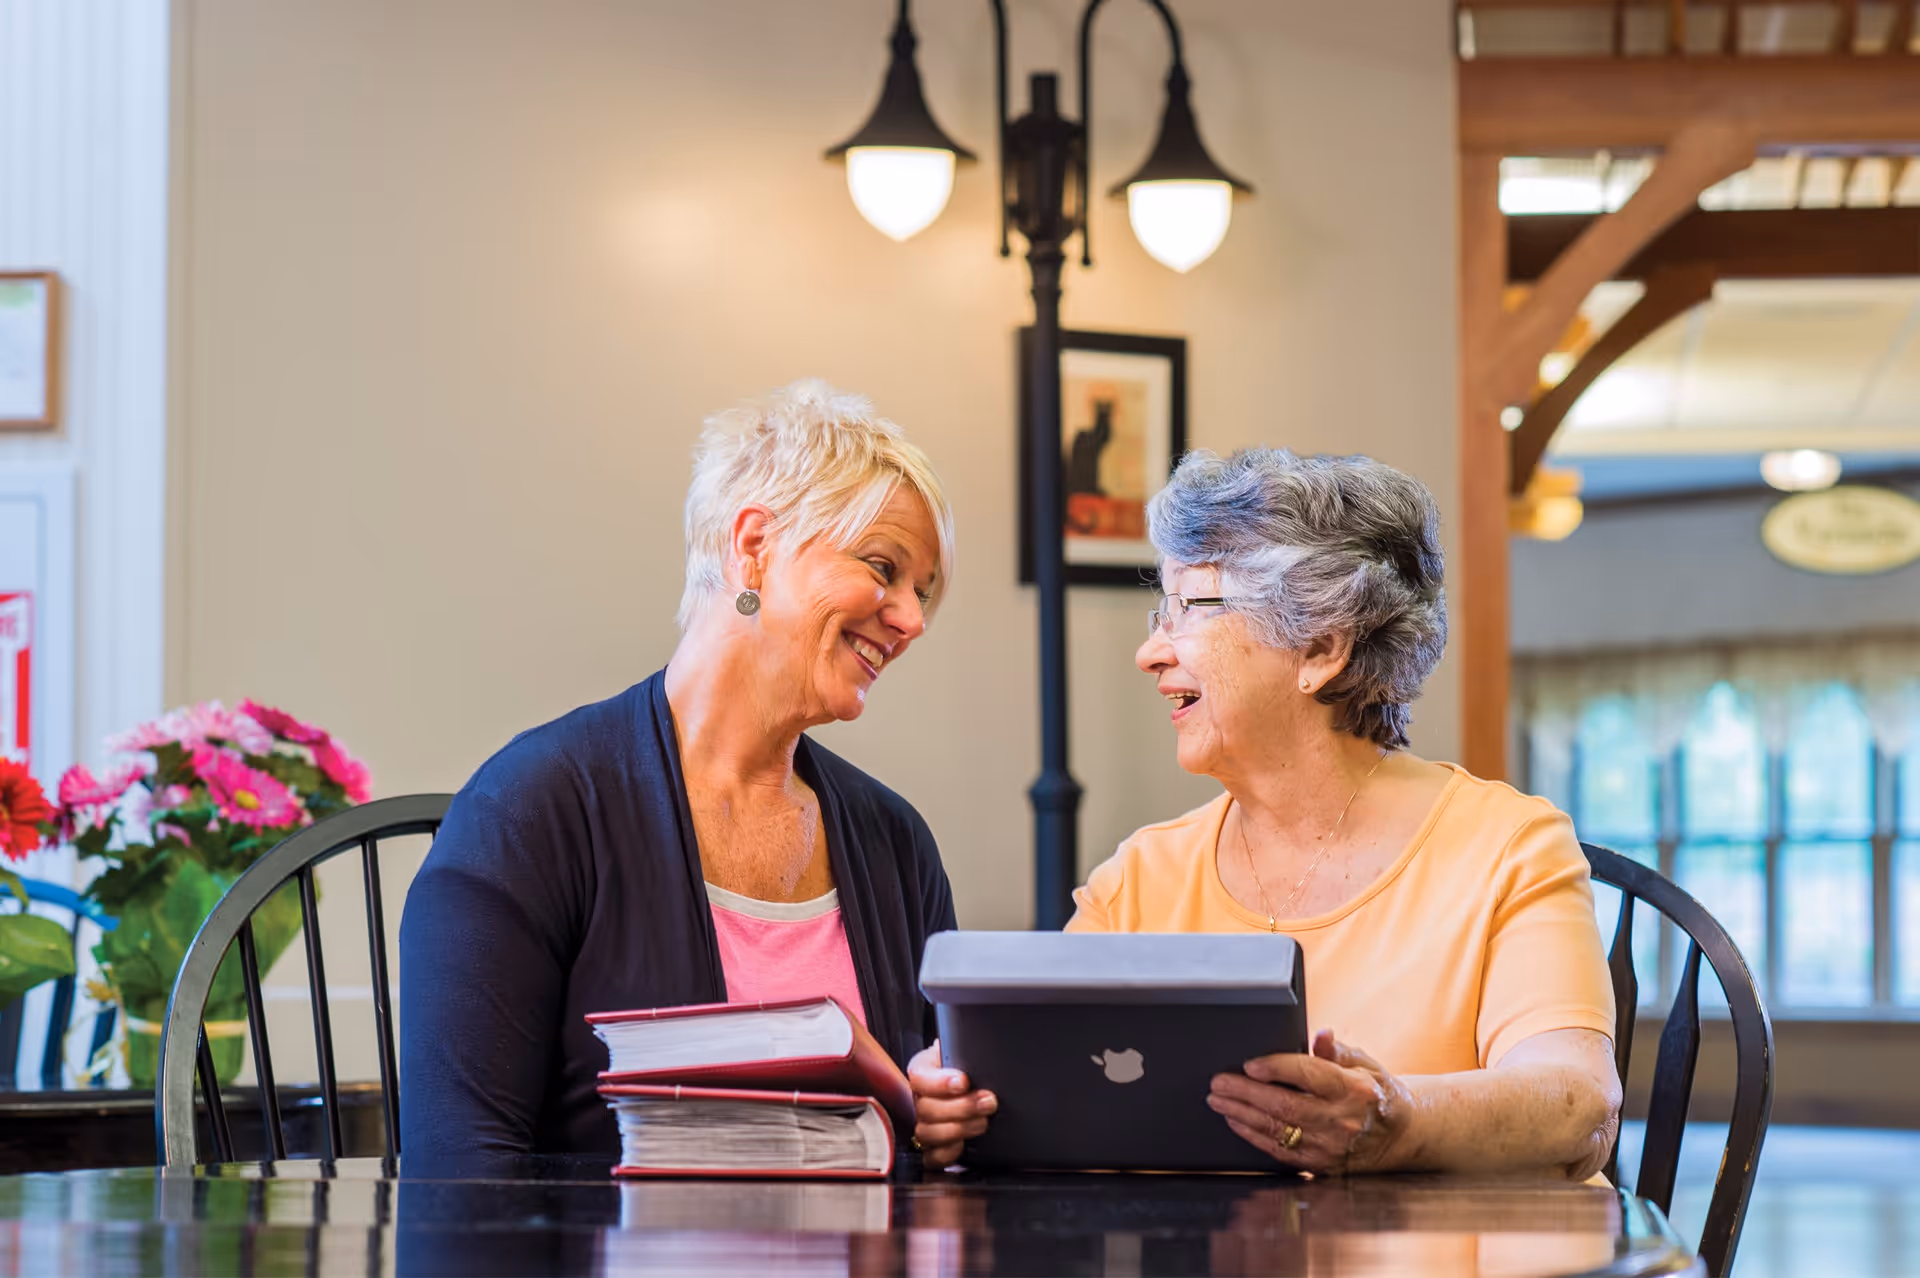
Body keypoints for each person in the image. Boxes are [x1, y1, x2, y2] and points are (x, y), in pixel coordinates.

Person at [911, 448, 1621, 1179]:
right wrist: (957, 1097)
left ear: (1319, 647)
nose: (1149, 652)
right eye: (1162, 610)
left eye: (1188, 609)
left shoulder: (1507, 847)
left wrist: (1396, 1118)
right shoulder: (1142, 878)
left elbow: (1577, 1104)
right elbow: (1042, 1078)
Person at [401, 380, 958, 1157]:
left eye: (922, 591)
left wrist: (944, 1122)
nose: (911, 619)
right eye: (883, 567)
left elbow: (941, 1143)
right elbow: (460, 1175)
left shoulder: (895, 843)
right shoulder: (528, 811)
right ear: (754, 545)